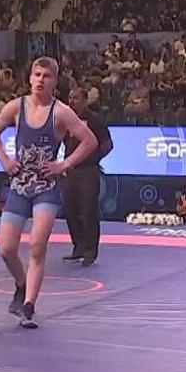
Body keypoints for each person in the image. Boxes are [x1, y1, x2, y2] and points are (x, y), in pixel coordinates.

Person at [0, 56, 99, 329]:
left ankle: (28, 306)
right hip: (19, 186)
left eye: (46, 76)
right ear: (29, 78)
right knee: (6, 249)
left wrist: (64, 164)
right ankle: (21, 284)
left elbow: (90, 141)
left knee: (37, 246)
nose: (40, 80)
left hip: (45, 189)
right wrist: (5, 160)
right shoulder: (16, 107)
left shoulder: (61, 112)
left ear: (54, 82)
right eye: (36, 75)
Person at [61, 87, 113, 266]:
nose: (71, 101)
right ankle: (79, 246)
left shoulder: (95, 119)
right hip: (70, 170)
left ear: (85, 100)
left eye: (75, 98)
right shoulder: (66, 119)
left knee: (88, 210)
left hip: (88, 171)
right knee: (70, 209)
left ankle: (91, 250)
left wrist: (92, 158)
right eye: (70, 98)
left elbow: (108, 144)